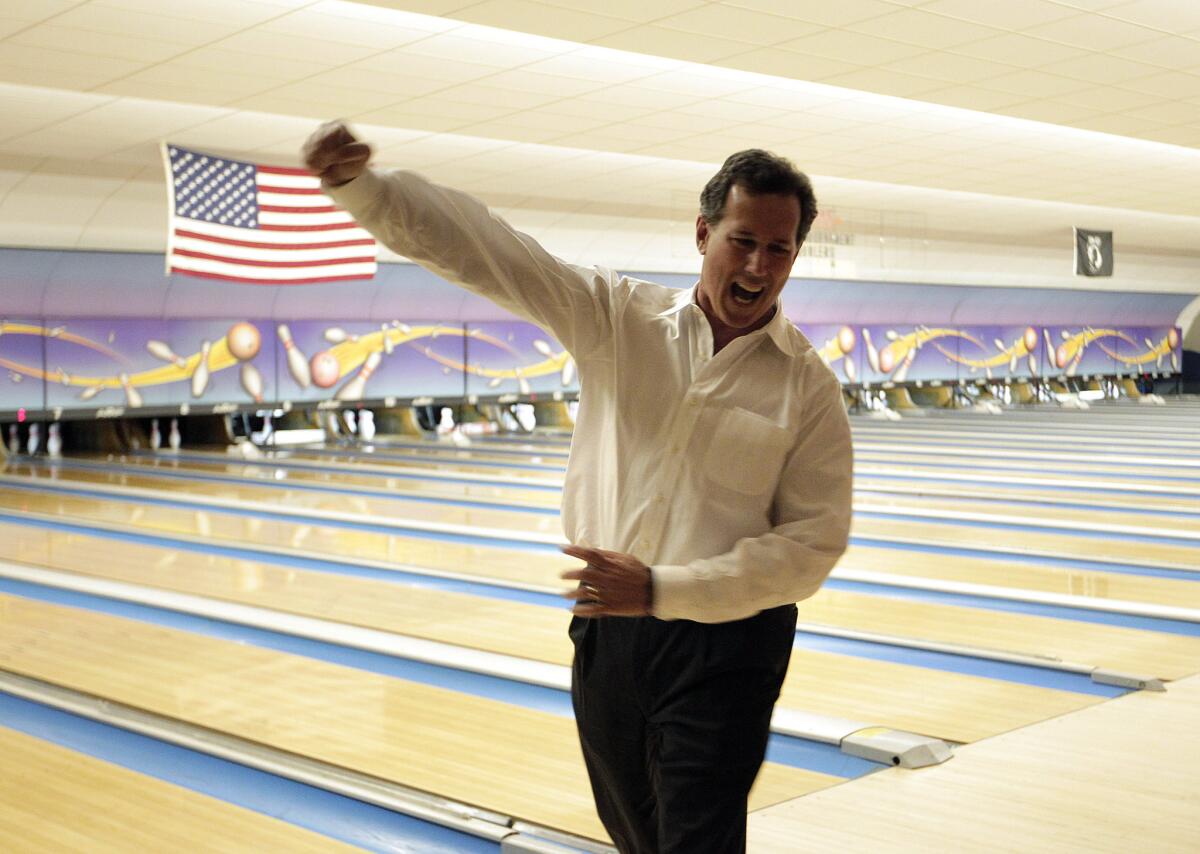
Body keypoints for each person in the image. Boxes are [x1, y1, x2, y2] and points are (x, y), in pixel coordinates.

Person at [303, 122, 853, 853]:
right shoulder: (619, 321)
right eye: (743, 240)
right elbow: (487, 252)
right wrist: (364, 191)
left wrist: (661, 588)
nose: (758, 264)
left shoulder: (807, 387)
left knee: (698, 836)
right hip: (609, 631)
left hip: (730, 647)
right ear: (703, 233)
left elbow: (810, 547)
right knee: (635, 832)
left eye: (779, 248)